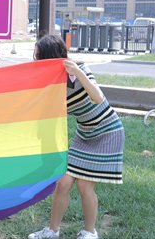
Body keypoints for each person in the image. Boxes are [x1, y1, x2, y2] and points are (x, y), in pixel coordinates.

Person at [28, 35, 124, 239]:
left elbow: (98, 98)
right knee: (63, 182)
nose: (36, 60)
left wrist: (78, 72)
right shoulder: (50, 81)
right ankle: (52, 231)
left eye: (38, 56)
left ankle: (90, 232)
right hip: (85, 134)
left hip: (108, 131)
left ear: (50, 56)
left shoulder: (79, 69)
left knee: (84, 184)